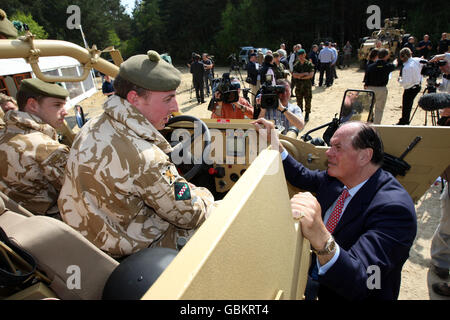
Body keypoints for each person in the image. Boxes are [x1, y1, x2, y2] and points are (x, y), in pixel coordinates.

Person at [58, 51, 215, 258]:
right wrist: (204, 194)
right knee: (220, 213)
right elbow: (190, 214)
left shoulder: (94, 125)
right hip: (133, 248)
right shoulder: (146, 157)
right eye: (168, 99)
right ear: (135, 99)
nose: (175, 107)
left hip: (94, 236)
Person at [252, 119, 416, 300]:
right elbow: (302, 176)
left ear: (365, 156)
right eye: (330, 146)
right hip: (320, 278)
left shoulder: (394, 210)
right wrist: (275, 143)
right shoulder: (340, 178)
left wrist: (320, 236)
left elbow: (365, 280)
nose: (328, 153)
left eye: (338, 148)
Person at [0, 78, 70, 216]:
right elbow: (85, 192)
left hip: (19, 220)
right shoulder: (47, 148)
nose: (65, 112)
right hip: (54, 222)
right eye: (57, 105)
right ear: (32, 105)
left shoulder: (4, 134)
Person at [363, 48, 397, 124]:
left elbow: (366, 77)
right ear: (386, 56)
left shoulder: (370, 66)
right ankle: (376, 125)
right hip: (381, 88)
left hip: (370, 88)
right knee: (379, 109)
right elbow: (394, 65)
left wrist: (366, 85)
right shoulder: (387, 66)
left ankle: (369, 122)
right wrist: (395, 61)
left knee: (369, 107)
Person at [396, 47, 424, 125]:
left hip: (410, 87)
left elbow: (406, 83)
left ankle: (404, 121)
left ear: (402, 57)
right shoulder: (417, 60)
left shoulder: (406, 67)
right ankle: (404, 120)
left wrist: (400, 81)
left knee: (406, 105)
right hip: (417, 85)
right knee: (408, 104)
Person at [292, 49, 314, 122]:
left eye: (302, 55)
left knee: (308, 100)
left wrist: (299, 76)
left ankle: (307, 114)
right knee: (299, 101)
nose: (301, 57)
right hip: (298, 87)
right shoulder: (296, 65)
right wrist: (304, 74)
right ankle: (300, 114)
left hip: (307, 86)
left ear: (305, 55)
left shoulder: (309, 64)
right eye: (299, 55)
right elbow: (294, 75)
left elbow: (310, 75)